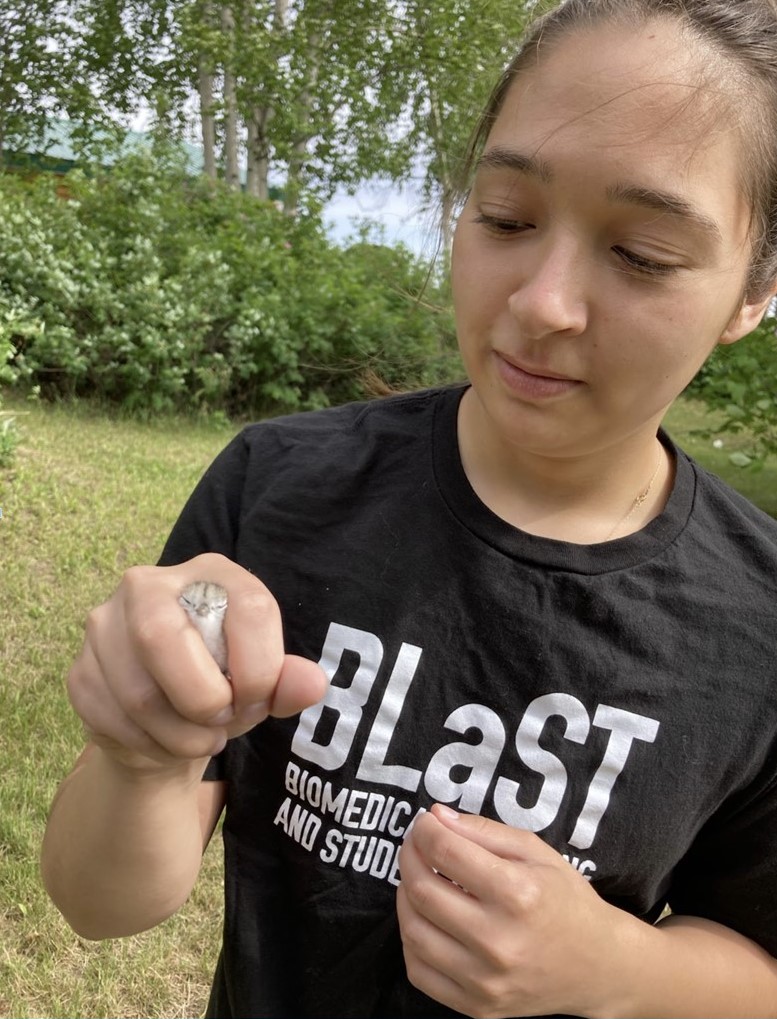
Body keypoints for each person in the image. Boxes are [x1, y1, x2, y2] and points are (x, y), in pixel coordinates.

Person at [42, 1, 777, 1016]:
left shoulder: (761, 624)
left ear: (754, 290)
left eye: (643, 253)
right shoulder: (278, 485)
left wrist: (616, 964)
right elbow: (100, 903)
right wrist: (138, 752)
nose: (541, 301)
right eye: (507, 216)